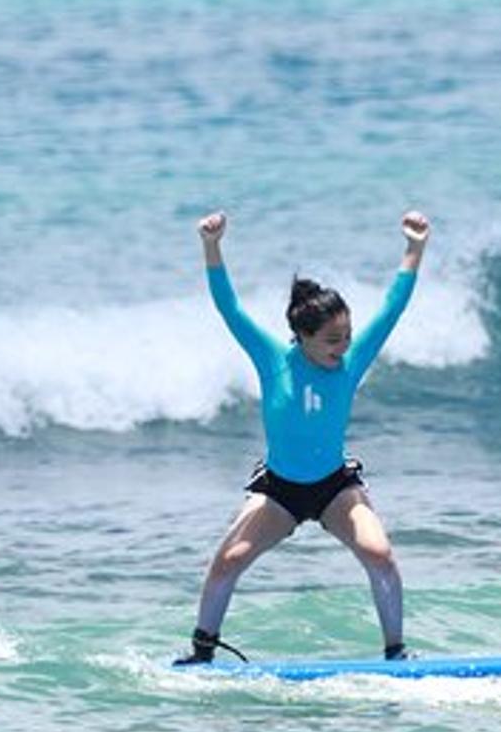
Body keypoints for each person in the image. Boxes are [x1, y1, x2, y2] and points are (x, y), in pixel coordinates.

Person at [176, 208, 430, 664]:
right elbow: (229, 308)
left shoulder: (351, 363)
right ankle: (201, 654)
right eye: (332, 339)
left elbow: (393, 307)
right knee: (228, 561)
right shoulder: (273, 359)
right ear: (301, 336)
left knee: (380, 555)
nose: (344, 346)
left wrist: (414, 247)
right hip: (280, 490)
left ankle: (396, 654)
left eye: (347, 335)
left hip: (335, 487)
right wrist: (211, 247)